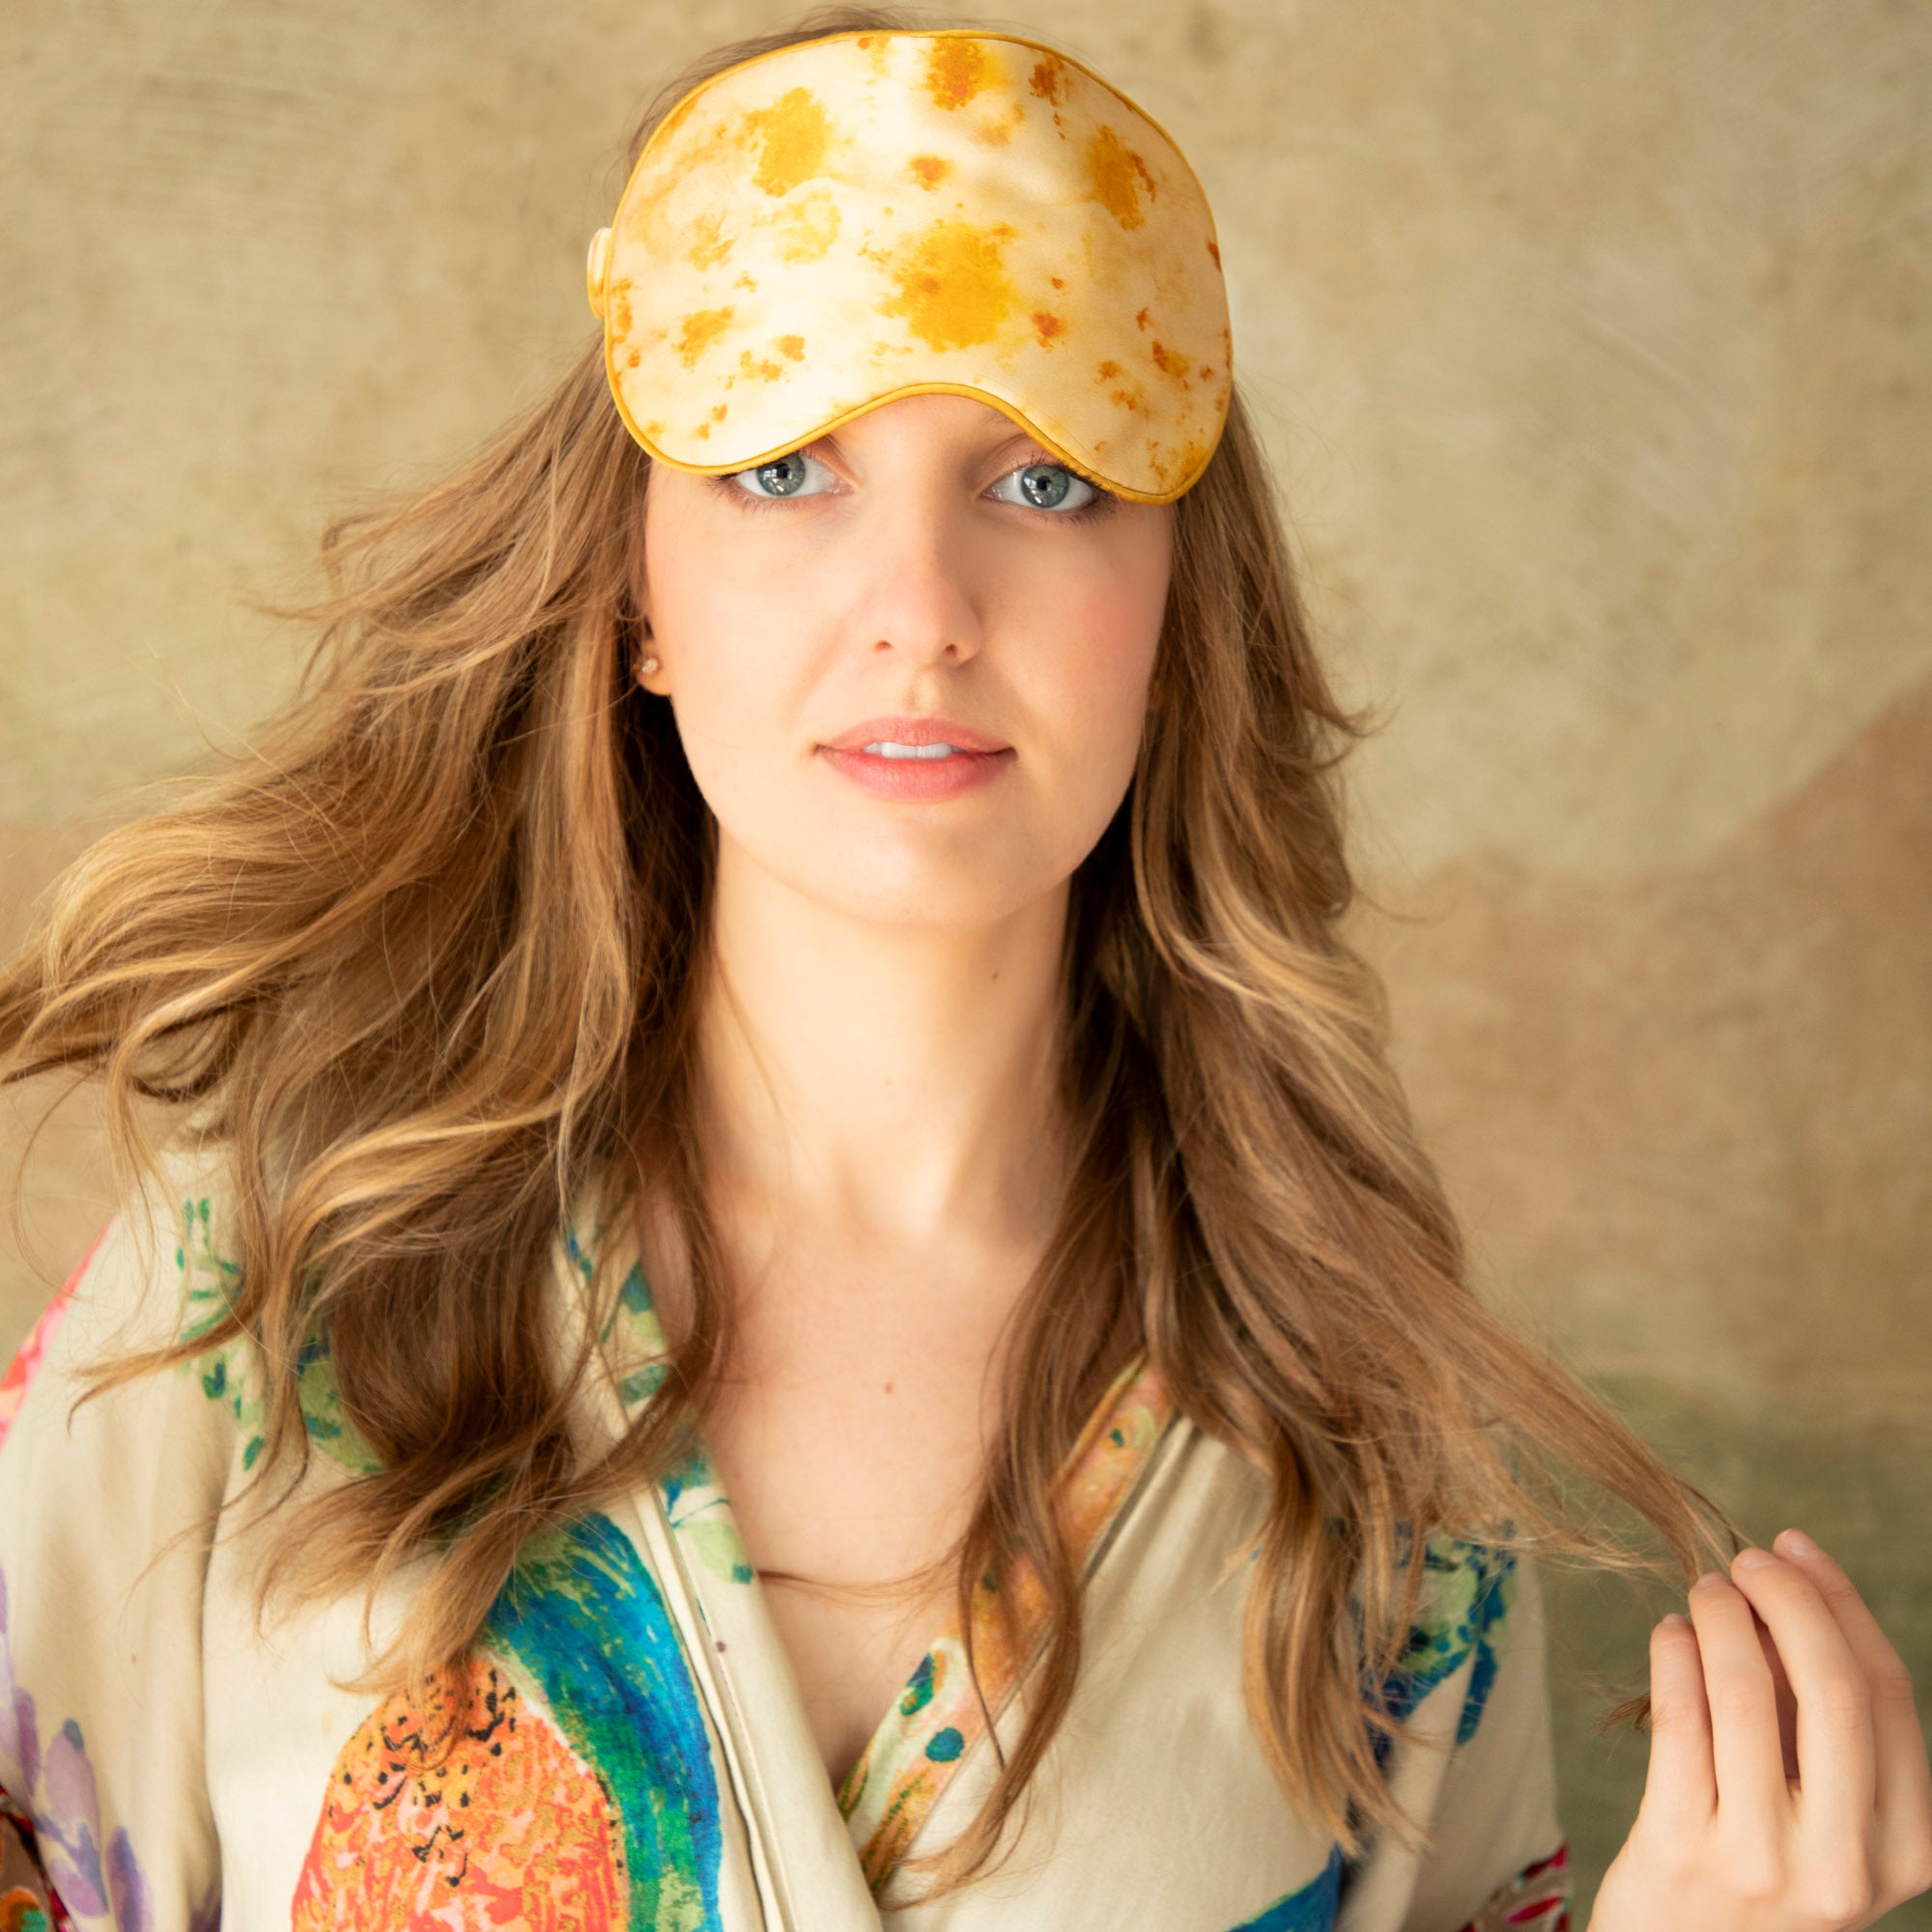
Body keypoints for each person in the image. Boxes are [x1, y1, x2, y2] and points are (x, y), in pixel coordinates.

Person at [1, 11, 1927, 1930]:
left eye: (1046, 481)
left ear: (1176, 610)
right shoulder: (255, 1295)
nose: (920, 612)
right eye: (785, 469)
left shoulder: (1364, 1451)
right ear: (635, 594)